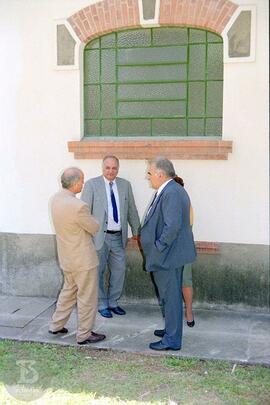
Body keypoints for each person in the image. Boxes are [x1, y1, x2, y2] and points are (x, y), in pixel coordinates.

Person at [140, 157, 196, 351]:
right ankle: (171, 330)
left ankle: (172, 339)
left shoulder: (171, 192)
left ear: (160, 174)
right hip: (168, 255)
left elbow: (171, 227)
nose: (148, 177)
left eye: (149, 173)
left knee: (170, 298)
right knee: (168, 296)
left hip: (168, 256)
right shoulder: (169, 190)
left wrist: (158, 247)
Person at [49, 167, 106, 345]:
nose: (83, 183)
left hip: (66, 258)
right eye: (81, 180)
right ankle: (84, 334)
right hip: (83, 260)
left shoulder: (55, 199)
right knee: (87, 298)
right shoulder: (79, 206)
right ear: (74, 183)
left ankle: (56, 325)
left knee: (68, 292)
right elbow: (94, 227)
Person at [81, 155, 140, 318]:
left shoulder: (125, 185)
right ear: (102, 168)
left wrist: (137, 232)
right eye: (107, 167)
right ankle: (101, 304)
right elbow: (84, 213)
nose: (111, 171)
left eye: (114, 168)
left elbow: (132, 210)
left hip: (118, 237)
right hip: (99, 237)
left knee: (119, 270)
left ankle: (113, 302)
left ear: (118, 169)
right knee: (97, 272)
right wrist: (86, 236)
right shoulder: (92, 185)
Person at [174, 175, 195, 328]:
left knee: (185, 280)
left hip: (183, 247)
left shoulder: (186, 204)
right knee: (170, 283)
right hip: (168, 249)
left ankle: (189, 311)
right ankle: (172, 314)